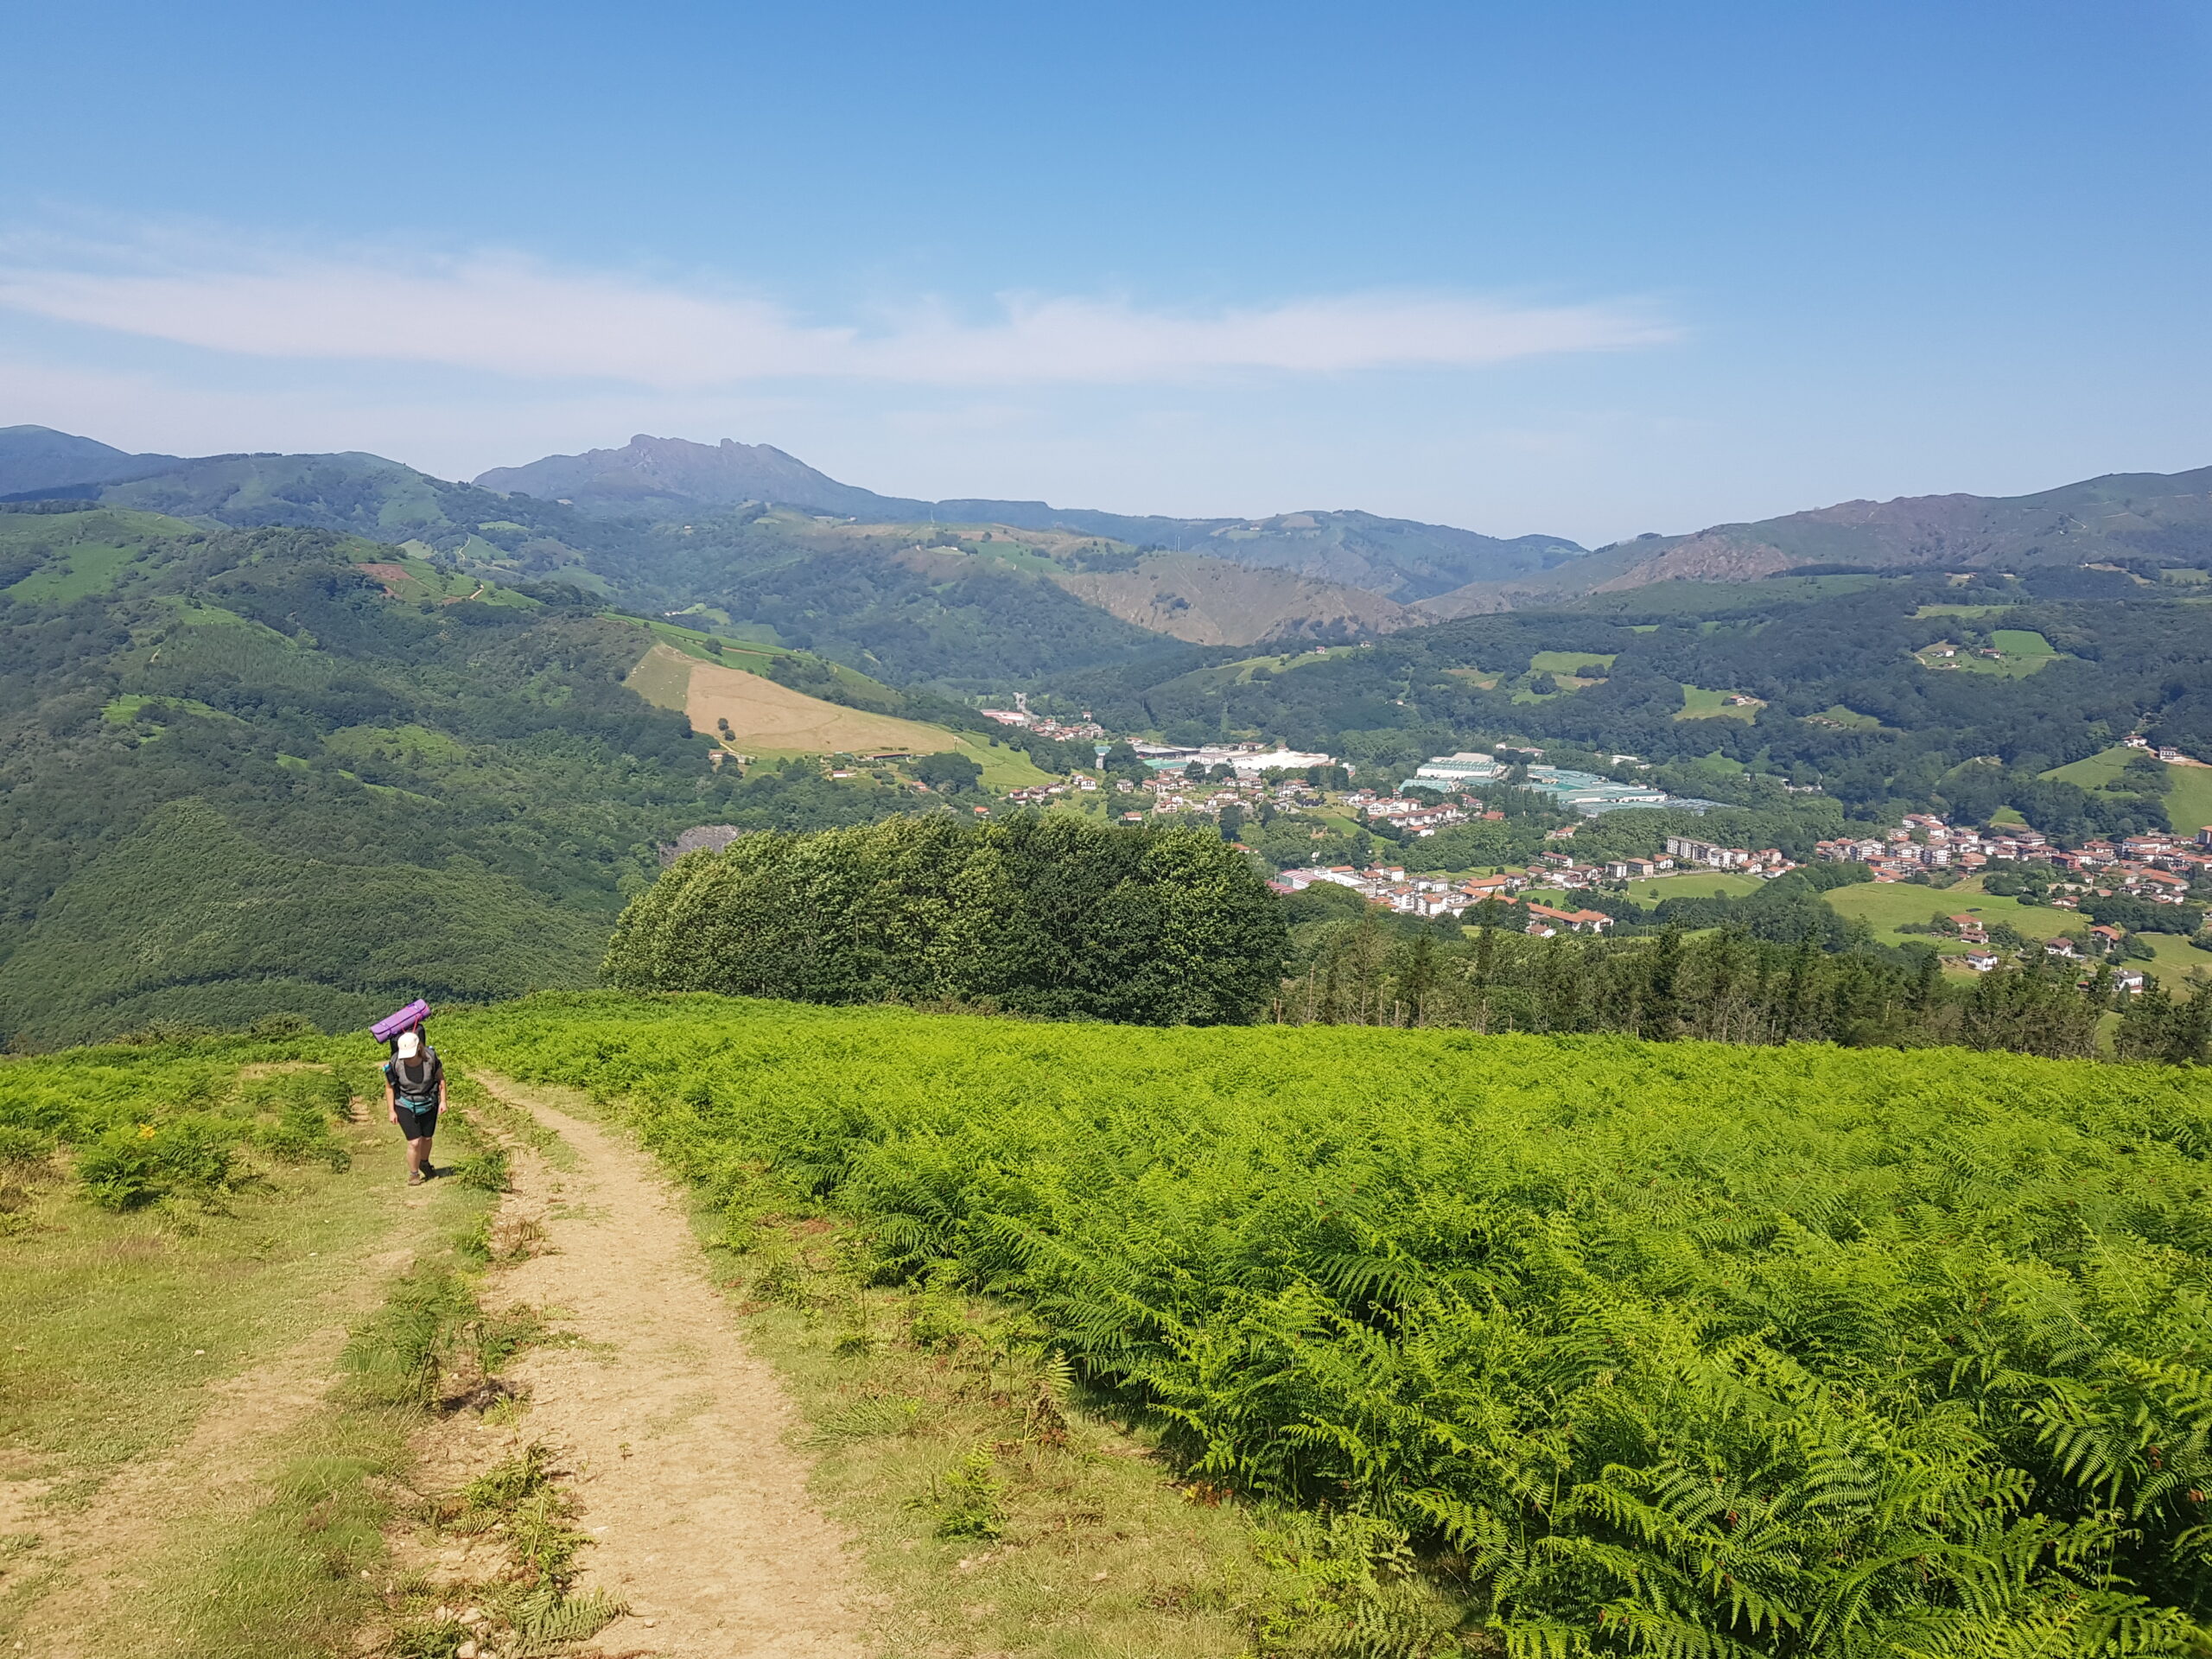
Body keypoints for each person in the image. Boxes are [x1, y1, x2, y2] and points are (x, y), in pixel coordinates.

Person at [384, 1028, 446, 1185]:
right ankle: (414, 1174)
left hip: (428, 1101)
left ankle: (424, 1163)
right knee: (414, 1142)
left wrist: (443, 1101)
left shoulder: (431, 1058)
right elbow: (389, 1087)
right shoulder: (395, 1062)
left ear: (419, 1048)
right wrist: (391, 1111)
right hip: (404, 1103)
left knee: (427, 1138)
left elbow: (441, 1080)